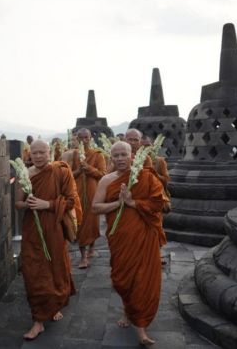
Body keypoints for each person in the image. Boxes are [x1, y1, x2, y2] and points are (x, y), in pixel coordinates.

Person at [92, 141, 165, 346]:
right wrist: (119, 203)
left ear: (132, 155)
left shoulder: (146, 176)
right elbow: (95, 208)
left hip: (143, 235)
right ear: (111, 158)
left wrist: (133, 202)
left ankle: (140, 328)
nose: (121, 159)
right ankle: (127, 310)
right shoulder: (106, 180)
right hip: (120, 237)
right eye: (116, 155)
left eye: (124, 154)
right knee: (123, 279)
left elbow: (160, 203)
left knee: (142, 280)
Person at [14, 139, 82, 340]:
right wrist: (28, 204)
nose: (39, 156)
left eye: (42, 152)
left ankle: (53, 306)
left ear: (49, 152)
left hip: (53, 228)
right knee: (33, 271)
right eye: (34, 153)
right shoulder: (25, 175)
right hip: (33, 230)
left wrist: (48, 204)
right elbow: (17, 204)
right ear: (29, 155)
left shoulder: (61, 171)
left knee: (55, 268)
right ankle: (37, 321)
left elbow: (71, 200)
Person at [66, 128, 107, 268]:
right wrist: (79, 170)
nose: (84, 140)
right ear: (77, 139)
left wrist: (88, 168)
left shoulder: (98, 155)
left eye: (86, 137)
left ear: (90, 138)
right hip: (78, 191)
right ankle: (83, 257)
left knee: (92, 222)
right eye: (81, 138)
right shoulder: (75, 154)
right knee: (81, 223)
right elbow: (69, 174)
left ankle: (91, 247)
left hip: (92, 192)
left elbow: (103, 174)